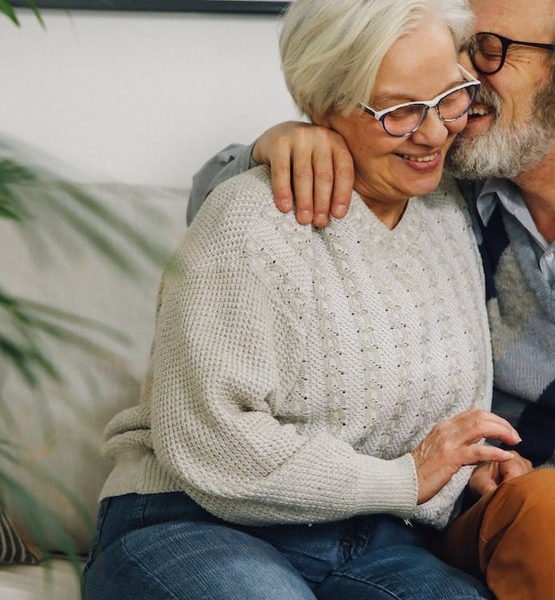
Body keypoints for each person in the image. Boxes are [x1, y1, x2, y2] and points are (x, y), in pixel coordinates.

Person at [187, 0, 555, 599]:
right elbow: (221, 215)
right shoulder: (438, 174)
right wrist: (279, 144)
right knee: (549, 504)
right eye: (462, 47)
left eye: (488, 50)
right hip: (522, 521)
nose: (459, 79)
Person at [81, 1, 529, 599]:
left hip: (375, 542)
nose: (432, 132)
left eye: (450, 97)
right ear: (323, 105)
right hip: (192, 522)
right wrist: (405, 479)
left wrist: (468, 468)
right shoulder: (249, 219)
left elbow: (411, 412)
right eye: (398, 110)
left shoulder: (448, 212)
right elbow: (211, 440)